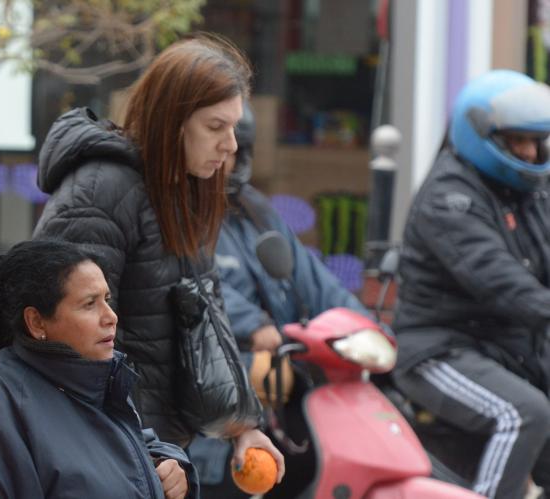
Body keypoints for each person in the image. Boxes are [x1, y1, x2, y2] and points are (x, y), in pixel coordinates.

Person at [32, 35, 284, 474]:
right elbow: (63, 341)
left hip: (153, 454)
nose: (232, 146)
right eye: (215, 127)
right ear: (172, 121)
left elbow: (206, 322)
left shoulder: (184, 193)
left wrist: (243, 426)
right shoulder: (101, 191)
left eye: (234, 127)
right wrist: (141, 449)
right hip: (99, 459)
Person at [189, 100, 371, 498]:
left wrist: (365, 327)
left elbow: (312, 279)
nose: (226, 155)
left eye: (236, 148)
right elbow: (190, 283)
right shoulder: (179, 213)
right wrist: (254, 326)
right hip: (215, 397)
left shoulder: (256, 211)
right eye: (218, 142)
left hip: (286, 385)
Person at [392, 69, 550, 499]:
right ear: (483, 135)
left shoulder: (527, 191)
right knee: (526, 414)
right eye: (517, 140)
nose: (530, 151)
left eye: (535, 141)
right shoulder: (450, 197)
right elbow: (503, 283)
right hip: (438, 349)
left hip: (505, 349)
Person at [0, 239, 198, 499]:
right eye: (90, 304)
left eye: (107, 300)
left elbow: (127, 446)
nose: (111, 317)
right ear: (36, 322)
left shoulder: (96, 376)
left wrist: (169, 465)